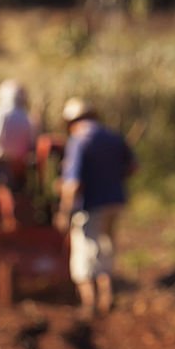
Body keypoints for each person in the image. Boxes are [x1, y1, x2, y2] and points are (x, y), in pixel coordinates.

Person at [55, 97, 136, 317]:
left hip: (91, 205)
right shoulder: (113, 137)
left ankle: (89, 303)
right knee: (106, 248)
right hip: (115, 201)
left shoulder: (79, 141)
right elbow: (131, 167)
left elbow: (73, 183)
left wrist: (64, 212)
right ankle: (107, 296)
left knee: (85, 252)